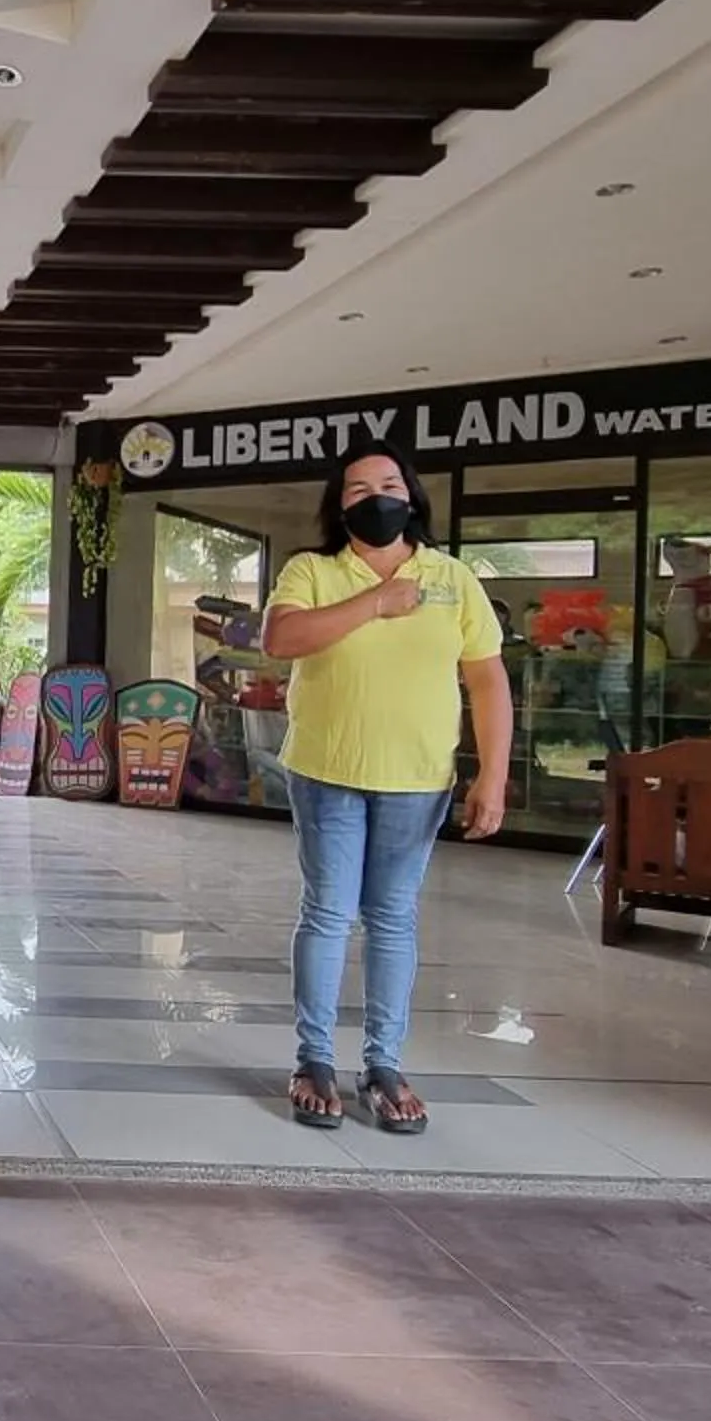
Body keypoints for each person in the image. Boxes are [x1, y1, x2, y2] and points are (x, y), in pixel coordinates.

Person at [260, 441, 515, 1134]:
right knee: (328, 913)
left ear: (412, 497)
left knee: (393, 917)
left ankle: (383, 1066)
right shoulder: (312, 569)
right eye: (358, 489)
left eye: (390, 485)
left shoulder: (453, 578)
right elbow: (281, 639)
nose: (377, 497)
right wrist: (376, 601)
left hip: (418, 779)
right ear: (338, 506)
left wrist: (493, 775)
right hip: (327, 772)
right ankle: (314, 1061)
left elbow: (487, 679)